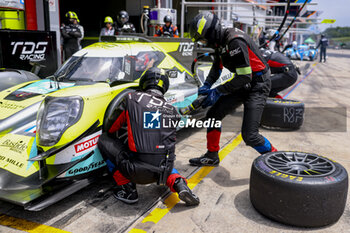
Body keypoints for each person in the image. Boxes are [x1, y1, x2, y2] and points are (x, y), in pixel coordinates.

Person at [97, 67, 200, 205]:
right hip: (164, 171)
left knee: (104, 140)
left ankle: (127, 189)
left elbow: (111, 127)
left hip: (136, 171)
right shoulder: (172, 110)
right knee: (160, 157)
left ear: (144, 82)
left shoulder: (131, 98)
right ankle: (179, 183)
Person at [188, 11, 277, 166]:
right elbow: (217, 67)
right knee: (213, 116)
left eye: (203, 39)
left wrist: (217, 91)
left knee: (250, 135)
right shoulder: (220, 42)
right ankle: (212, 155)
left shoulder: (234, 41)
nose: (203, 42)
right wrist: (207, 85)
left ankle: (277, 159)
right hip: (244, 82)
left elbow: (245, 77)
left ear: (212, 33)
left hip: (258, 85)